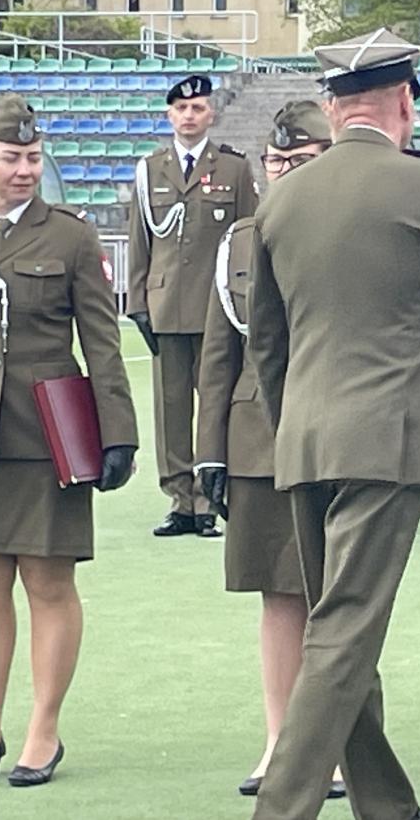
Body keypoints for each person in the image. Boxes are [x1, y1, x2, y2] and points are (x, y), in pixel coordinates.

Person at [245, 27, 420, 820]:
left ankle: (388, 807)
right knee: (344, 632)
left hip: (306, 433)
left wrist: (293, 423)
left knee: (338, 627)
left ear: (333, 108)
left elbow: (267, 342)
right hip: (387, 434)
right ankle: (281, 808)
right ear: (404, 101)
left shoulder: (281, 197)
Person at [0, 95, 138, 787]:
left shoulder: (70, 237)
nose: (26, 169)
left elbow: (102, 341)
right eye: (13, 157)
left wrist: (117, 432)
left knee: (49, 582)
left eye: (34, 158)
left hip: (45, 433)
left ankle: (43, 729)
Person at [193, 101, 345, 800]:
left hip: (340, 428)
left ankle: (334, 747)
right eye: (278, 160)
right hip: (259, 439)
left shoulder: (357, 229)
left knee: (337, 598)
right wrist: (209, 453)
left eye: (302, 160)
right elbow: (218, 356)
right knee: (279, 597)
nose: (285, 171)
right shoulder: (239, 242)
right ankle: (281, 741)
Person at [127, 74, 258, 539]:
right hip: (164, 305)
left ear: (211, 115)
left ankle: (208, 499)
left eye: (198, 108)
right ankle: (180, 500)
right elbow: (139, 241)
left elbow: (246, 238)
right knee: (170, 408)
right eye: (181, 109)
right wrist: (137, 300)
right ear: (169, 115)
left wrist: (244, 301)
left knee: (216, 403)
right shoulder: (149, 170)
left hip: (215, 306)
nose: (189, 115)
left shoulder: (233, 169)